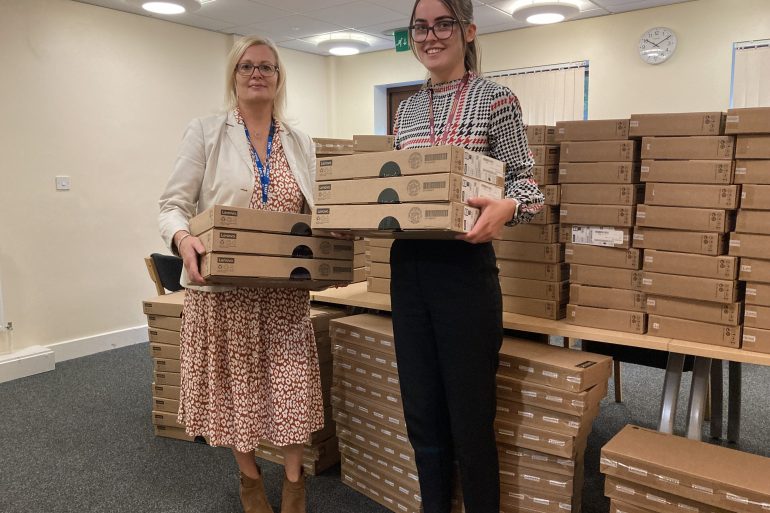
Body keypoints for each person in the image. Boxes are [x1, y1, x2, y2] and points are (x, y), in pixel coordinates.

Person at [390, 1, 545, 511]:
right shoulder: (407, 110)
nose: (430, 36)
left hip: (464, 272)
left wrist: (508, 206)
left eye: (442, 24)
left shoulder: (496, 99)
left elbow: (529, 187)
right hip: (409, 269)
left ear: (468, 30)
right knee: (423, 413)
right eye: (420, 26)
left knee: (470, 418)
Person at [158, 36, 319, 513]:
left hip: (284, 294)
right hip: (223, 294)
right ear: (234, 75)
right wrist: (183, 240)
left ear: (278, 78)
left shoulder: (299, 141)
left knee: (291, 389)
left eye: (267, 67)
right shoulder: (206, 132)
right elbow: (172, 206)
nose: (257, 74)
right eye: (247, 66)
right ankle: (250, 482)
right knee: (237, 391)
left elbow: (318, 210)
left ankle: (294, 485)